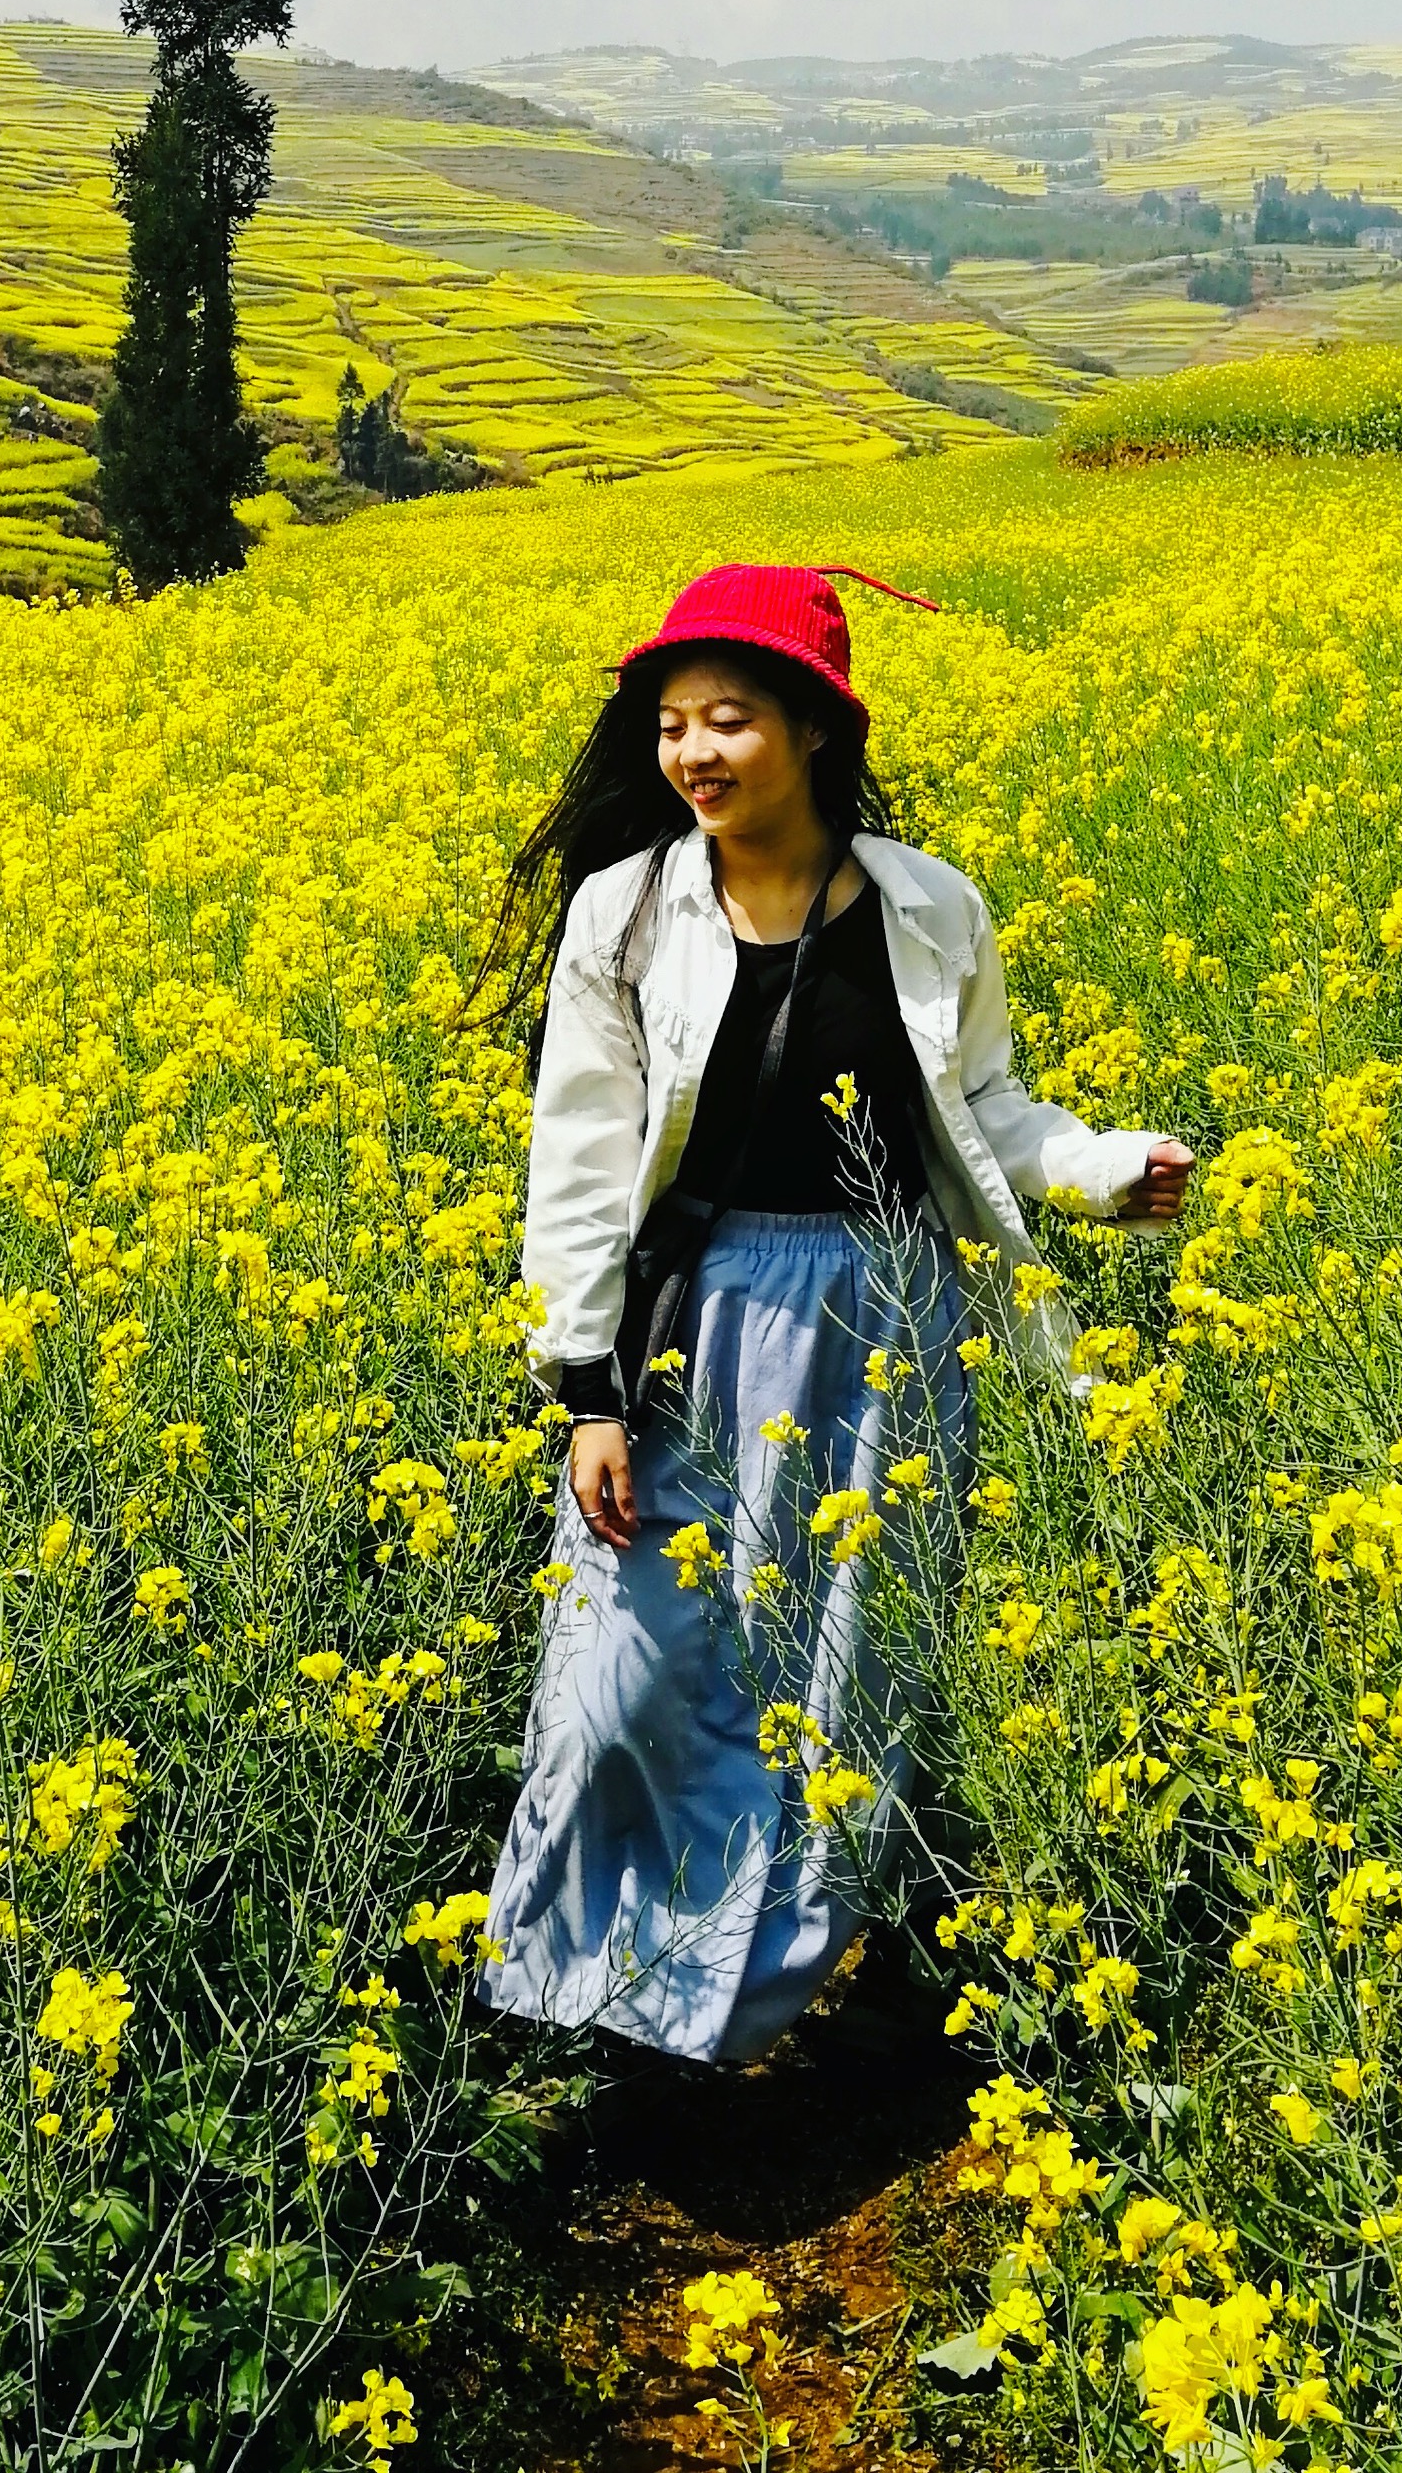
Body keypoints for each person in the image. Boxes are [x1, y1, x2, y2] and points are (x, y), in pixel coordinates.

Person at [475, 562, 1192, 2068]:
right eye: (672, 726)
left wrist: (1102, 1171)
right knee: (626, 1671)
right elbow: (583, 1155)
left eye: (727, 719)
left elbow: (979, 1107)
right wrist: (585, 1391)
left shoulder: (929, 909)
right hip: (686, 1325)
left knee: (833, 1672)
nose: (694, 755)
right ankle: (581, 1995)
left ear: (811, 727)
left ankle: (742, 2013)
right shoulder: (623, 913)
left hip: (878, 1323)